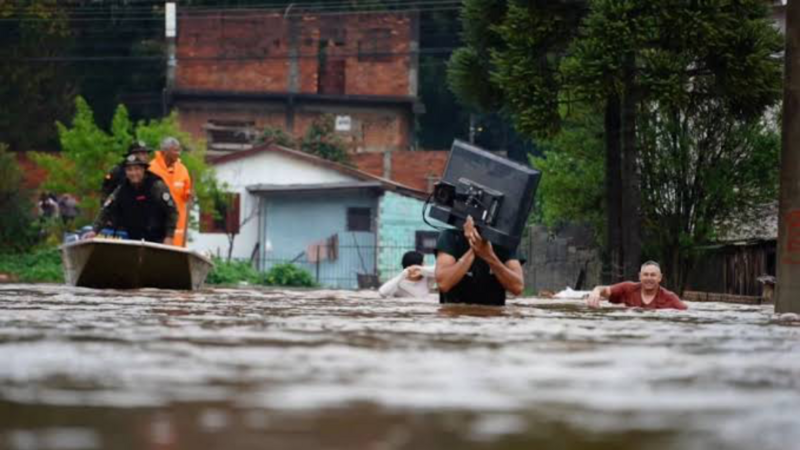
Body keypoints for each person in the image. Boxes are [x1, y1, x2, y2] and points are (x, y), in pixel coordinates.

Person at [85, 154, 177, 245]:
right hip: (134, 238)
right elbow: (106, 209)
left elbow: (172, 211)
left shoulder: (156, 186)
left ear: (143, 170)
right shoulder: (122, 188)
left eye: (137, 169)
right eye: (129, 170)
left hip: (158, 239)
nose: (133, 173)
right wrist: (94, 230)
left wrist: (169, 236)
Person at [435, 216, 524, 306]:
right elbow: (443, 284)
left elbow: (518, 287)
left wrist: (489, 256)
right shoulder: (450, 236)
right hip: (455, 312)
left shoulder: (504, 241)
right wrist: (474, 248)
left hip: (493, 313)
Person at [586, 261, 688, 310]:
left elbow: (686, 313)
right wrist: (596, 291)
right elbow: (605, 290)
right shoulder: (627, 288)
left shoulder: (670, 298)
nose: (649, 278)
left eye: (653, 275)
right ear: (640, 276)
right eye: (645, 274)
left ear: (660, 278)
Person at [149, 137, 192, 247]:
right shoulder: (151, 168)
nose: (179, 153)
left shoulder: (183, 169)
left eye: (179, 150)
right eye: (175, 150)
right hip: (157, 224)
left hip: (178, 224)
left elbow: (187, 193)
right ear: (165, 152)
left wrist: (189, 195)